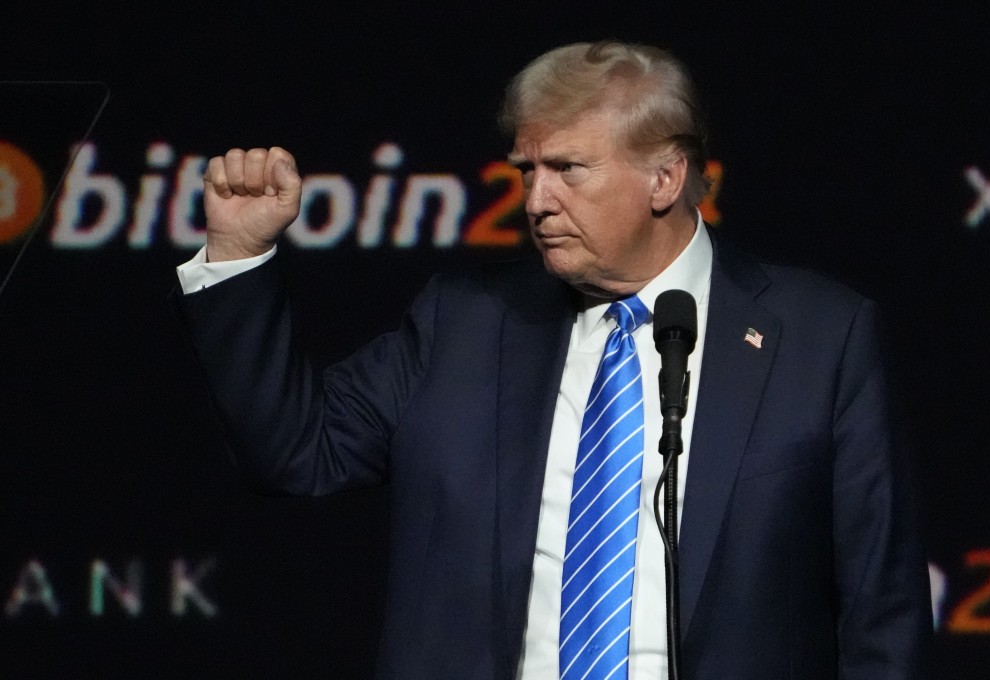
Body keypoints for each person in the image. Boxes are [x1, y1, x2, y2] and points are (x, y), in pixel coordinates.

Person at [174, 41, 931, 679]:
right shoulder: (465, 325)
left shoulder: (821, 337)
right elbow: (296, 453)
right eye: (526, 171)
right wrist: (239, 256)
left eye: (567, 169)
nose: (535, 200)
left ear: (664, 178)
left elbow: (882, 610)